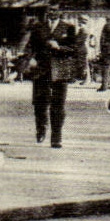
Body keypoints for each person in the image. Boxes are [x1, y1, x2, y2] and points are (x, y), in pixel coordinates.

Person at [21, 9, 82, 148]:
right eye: (50, 10)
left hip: (60, 71)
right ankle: (41, 128)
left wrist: (59, 48)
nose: (52, 12)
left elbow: (74, 49)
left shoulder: (69, 28)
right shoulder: (38, 27)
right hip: (41, 70)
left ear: (60, 12)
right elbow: (30, 46)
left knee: (58, 105)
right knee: (40, 103)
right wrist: (30, 59)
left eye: (55, 10)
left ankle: (56, 137)